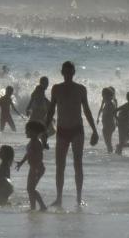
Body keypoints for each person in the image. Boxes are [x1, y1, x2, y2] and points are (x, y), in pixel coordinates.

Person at [45, 61, 99, 207]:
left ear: (74, 72)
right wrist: (44, 129)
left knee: (78, 164)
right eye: (65, 72)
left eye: (70, 72)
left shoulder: (81, 89)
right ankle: (59, 198)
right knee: (59, 166)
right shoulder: (56, 89)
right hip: (62, 130)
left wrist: (94, 130)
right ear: (62, 72)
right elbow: (51, 110)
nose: (68, 74)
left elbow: (86, 110)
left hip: (77, 130)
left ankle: (79, 197)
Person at [16, 121, 48, 211]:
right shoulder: (31, 142)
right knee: (30, 189)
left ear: (34, 132)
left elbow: (40, 156)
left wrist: (36, 169)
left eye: (27, 131)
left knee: (31, 188)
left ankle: (42, 206)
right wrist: (21, 163)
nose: (26, 132)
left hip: (37, 168)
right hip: (33, 168)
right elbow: (28, 154)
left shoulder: (37, 143)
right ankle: (33, 207)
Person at [97, 87, 118, 153]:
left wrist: (117, 122)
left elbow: (114, 114)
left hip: (109, 125)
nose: (102, 95)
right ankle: (111, 155)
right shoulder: (106, 101)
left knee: (108, 143)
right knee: (108, 143)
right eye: (102, 94)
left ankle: (111, 155)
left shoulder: (111, 104)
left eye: (103, 94)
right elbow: (101, 109)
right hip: (107, 125)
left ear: (108, 95)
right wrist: (98, 117)